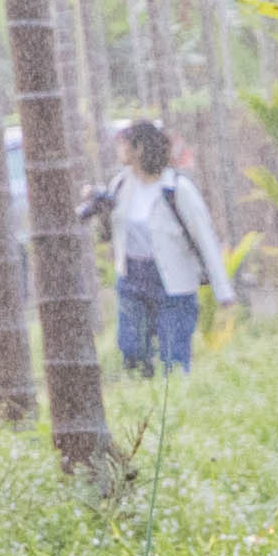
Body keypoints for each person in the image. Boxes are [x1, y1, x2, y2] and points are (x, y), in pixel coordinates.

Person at [95, 116, 230, 376]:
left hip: (172, 282)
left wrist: (222, 290)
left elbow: (205, 239)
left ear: (139, 149)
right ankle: (144, 405)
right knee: (132, 351)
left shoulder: (177, 189)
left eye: (124, 144)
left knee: (174, 357)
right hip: (132, 278)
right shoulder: (121, 185)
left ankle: (177, 405)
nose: (119, 150)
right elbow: (110, 231)